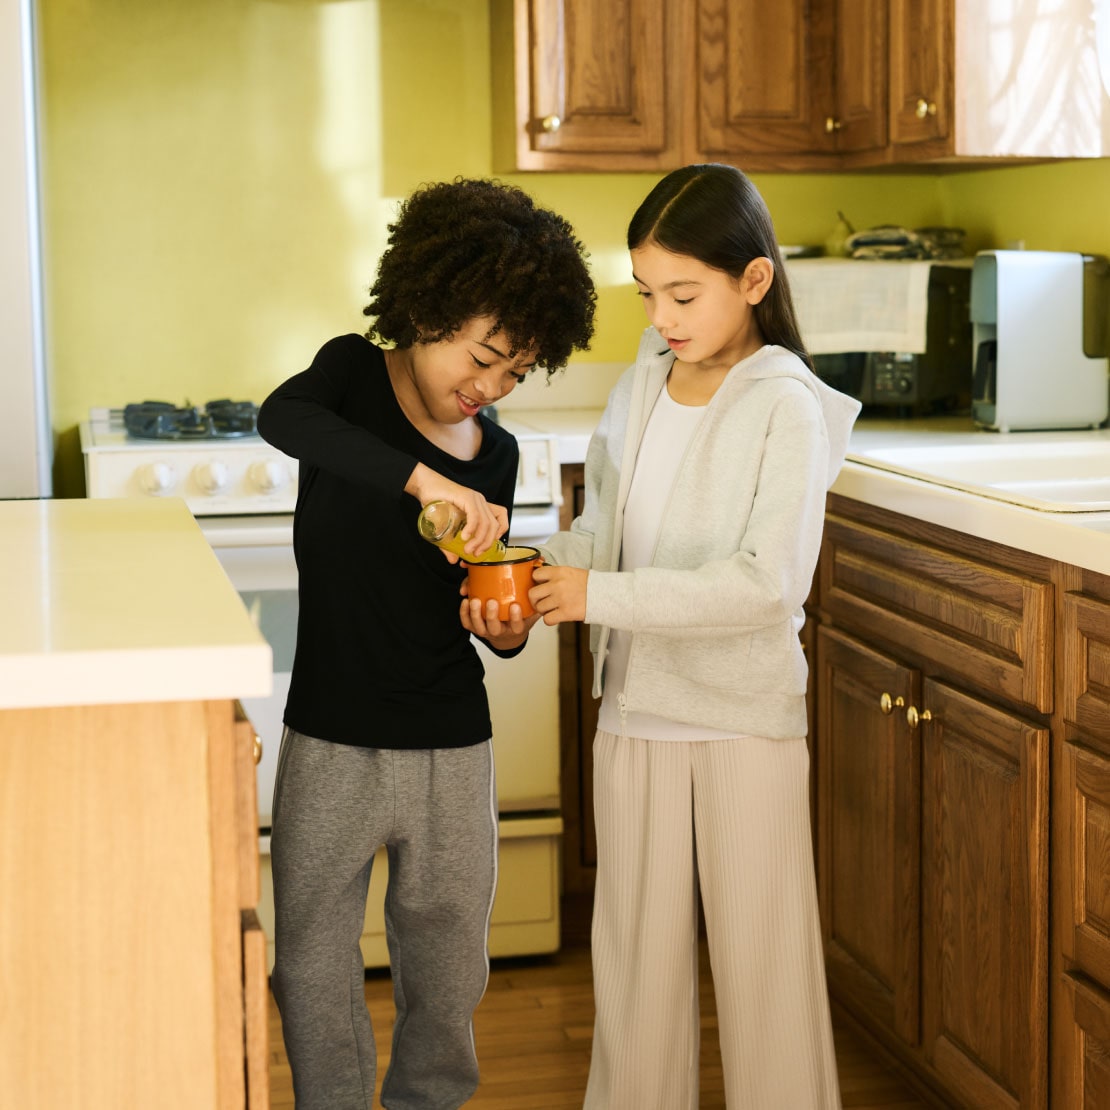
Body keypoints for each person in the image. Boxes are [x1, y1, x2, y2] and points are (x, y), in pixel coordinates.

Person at [257, 177, 596, 1110]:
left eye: (516, 372)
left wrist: (509, 628)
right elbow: (280, 420)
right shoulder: (347, 379)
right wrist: (417, 479)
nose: (488, 386)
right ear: (426, 307)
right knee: (312, 960)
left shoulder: (498, 453)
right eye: (483, 356)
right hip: (330, 732)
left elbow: (480, 602)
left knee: (447, 970)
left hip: (451, 738)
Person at [527, 163, 860, 1109]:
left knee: (765, 971)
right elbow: (606, 525)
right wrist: (548, 567)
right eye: (646, 294)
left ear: (754, 281)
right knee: (633, 973)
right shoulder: (643, 376)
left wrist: (602, 596)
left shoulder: (783, 403)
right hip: (634, 711)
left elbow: (766, 588)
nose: (661, 316)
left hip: (741, 723)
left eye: (683, 294)